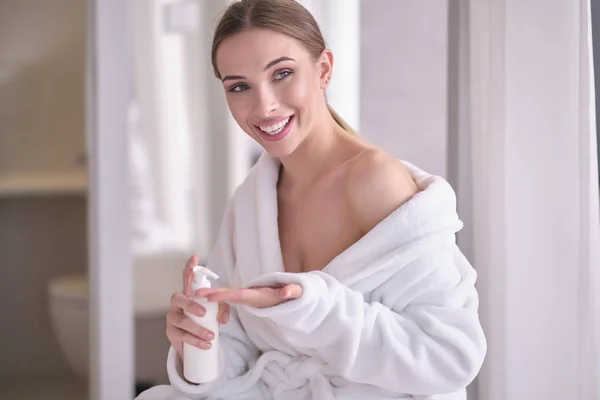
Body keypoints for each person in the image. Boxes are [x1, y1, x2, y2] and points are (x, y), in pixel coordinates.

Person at [137, 0, 486, 399]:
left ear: (323, 70)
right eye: (239, 86)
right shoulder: (252, 201)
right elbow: (238, 354)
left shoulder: (373, 182)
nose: (263, 105)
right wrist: (199, 344)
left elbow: (449, 356)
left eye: (282, 74)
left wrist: (317, 311)